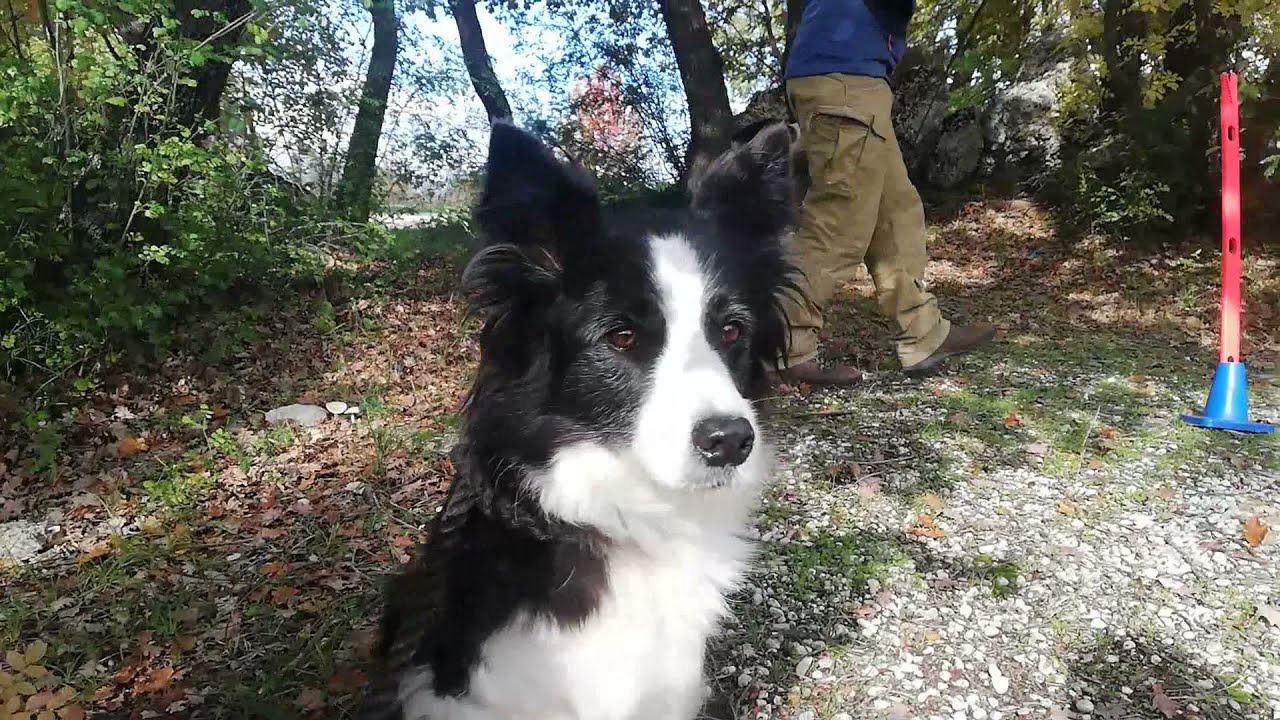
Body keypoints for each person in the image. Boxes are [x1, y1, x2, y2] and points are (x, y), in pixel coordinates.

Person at [773, 0, 996, 386]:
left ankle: (925, 333)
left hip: (850, 79)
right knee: (840, 224)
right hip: (845, 79)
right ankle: (785, 345)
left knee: (896, 211)